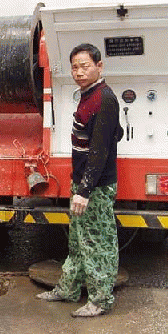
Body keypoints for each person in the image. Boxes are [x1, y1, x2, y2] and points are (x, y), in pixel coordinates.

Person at [37, 43, 123, 317]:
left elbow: (99, 151)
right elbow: (116, 133)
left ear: (99, 66)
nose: (79, 72)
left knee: (97, 244)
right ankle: (68, 289)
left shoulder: (103, 98)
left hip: (94, 188)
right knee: (77, 241)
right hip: (84, 182)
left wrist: (84, 190)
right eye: (75, 66)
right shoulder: (89, 96)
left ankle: (100, 300)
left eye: (85, 66)